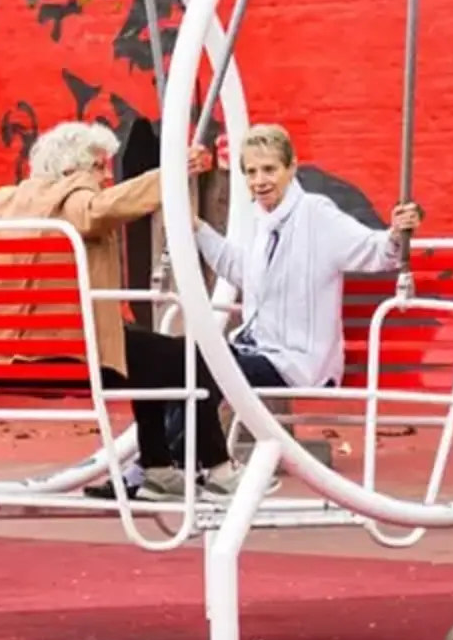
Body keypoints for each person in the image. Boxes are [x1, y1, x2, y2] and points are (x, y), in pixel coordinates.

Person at [0, 120, 230, 500]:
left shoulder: (4, 203)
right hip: (68, 355)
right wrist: (170, 175)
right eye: (99, 166)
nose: (107, 176)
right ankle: (219, 469)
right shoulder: (73, 200)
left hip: (3, 355)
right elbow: (100, 209)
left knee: (151, 354)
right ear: (70, 169)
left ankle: (158, 467)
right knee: (190, 358)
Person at [173, 123, 420, 488]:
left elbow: (377, 252)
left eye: (269, 169)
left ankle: (184, 466)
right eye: (251, 172)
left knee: (211, 367)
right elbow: (241, 271)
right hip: (258, 349)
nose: (260, 181)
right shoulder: (260, 220)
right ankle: (162, 465)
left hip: (299, 359)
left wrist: (398, 232)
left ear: (291, 168)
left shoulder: (316, 215)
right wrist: (196, 228)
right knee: (178, 362)